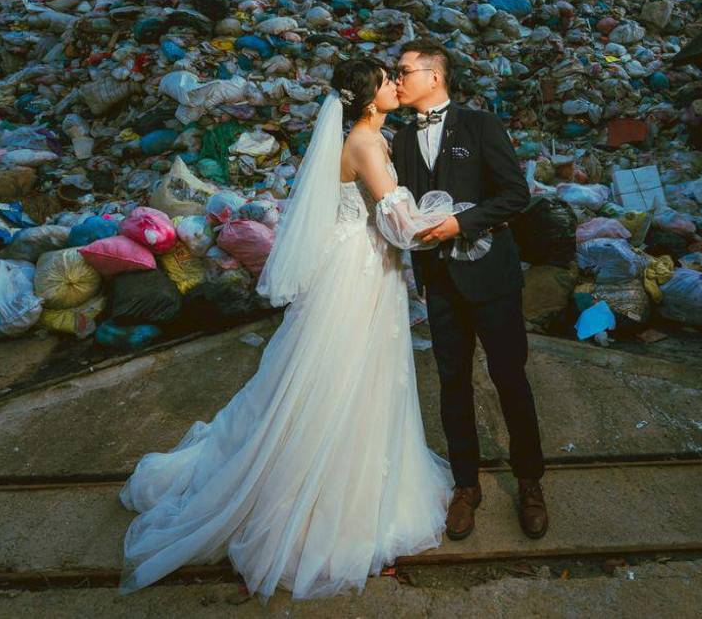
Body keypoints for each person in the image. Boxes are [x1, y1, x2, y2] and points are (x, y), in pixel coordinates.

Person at [119, 57, 456, 601]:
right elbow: (398, 225)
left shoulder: (369, 135)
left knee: (347, 374)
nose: (398, 84)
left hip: (361, 263)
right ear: (369, 98)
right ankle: (321, 496)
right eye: (389, 80)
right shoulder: (367, 144)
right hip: (361, 269)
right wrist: (451, 221)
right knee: (344, 375)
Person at [391, 38, 549, 542]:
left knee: (510, 378)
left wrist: (462, 225)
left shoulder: (480, 125)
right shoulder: (398, 139)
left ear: (435, 76)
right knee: (452, 381)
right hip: (439, 281)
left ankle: (529, 483)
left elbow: (515, 195)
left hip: (491, 277)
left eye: (404, 71)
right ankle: (466, 486)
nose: (398, 80)